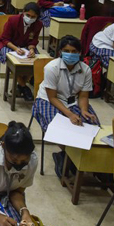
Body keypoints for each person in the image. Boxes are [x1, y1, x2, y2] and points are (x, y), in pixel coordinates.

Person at [31, 35, 100, 171]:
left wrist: (84, 110)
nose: (70, 54)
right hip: (48, 100)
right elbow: (52, 97)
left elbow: (83, 95)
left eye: (74, 51)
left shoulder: (85, 69)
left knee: (91, 124)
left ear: (80, 53)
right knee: (57, 128)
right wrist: (70, 115)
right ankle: (68, 156)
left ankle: (75, 157)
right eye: (67, 51)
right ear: (60, 52)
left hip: (72, 101)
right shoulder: (52, 67)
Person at [0, 3, 43, 101]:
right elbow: (5, 39)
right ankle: (24, 87)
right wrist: (16, 49)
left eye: (33, 17)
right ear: (23, 12)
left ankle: (20, 85)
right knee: (12, 61)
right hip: (8, 44)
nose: (30, 18)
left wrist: (31, 49)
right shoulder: (13, 20)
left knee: (35, 60)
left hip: (25, 46)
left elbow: (33, 40)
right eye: (28, 15)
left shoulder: (38, 24)